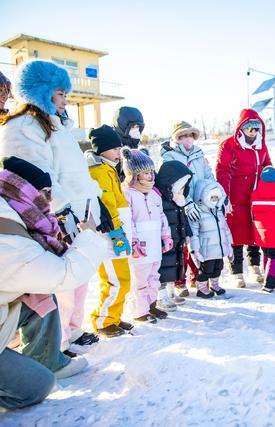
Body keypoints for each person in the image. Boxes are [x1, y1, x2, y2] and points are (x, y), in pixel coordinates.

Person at [0, 59, 110, 353]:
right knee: (61, 282)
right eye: (60, 92)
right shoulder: (23, 125)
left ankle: (73, 332)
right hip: (56, 215)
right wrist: (62, 210)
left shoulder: (59, 125)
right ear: (41, 92)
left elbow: (76, 174)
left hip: (79, 211)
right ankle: (55, 345)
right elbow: (36, 175)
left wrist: (96, 204)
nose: (66, 99)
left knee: (80, 279)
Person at [0, 156, 108, 410]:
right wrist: (90, 236)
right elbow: (62, 275)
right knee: (37, 385)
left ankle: (45, 357)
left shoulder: (12, 213)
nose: (49, 201)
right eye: (45, 193)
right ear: (28, 193)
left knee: (39, 297)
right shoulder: (8, 241)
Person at [86, 125, 134, 338]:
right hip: (111, 234)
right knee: (116, 279)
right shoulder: (98, 171)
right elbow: (106, 203)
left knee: (123, 277)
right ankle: (103, 320)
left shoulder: (109, 168)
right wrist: (115, 231)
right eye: (114, 148)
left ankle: (113, 316)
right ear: (102, 149)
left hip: (119, 232)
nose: (118, 152)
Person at [215, 109, 271, 288]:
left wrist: (270, 189)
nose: (253, 132)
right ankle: (237, 272)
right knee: (237, 235)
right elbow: (222, 171)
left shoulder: (261, 146)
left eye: (256, 129)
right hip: (236, 197)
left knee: (255, 234)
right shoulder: (229, 145)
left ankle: (255, 268)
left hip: (256, 197)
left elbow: (267, 166)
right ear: (242, 128)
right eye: (249, 129)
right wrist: (225, 196)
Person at [161, 121, 215, 296]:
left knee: (200, 240)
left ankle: (197, 275)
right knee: (184, 243)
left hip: (202, 204)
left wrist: (214, 194)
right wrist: (187, 201)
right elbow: (172, 183)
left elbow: (208, 176)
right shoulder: (170, 156)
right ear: (176, 138)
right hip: (181, 205)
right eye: (182, 136)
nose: (187, 139)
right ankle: (179, 280)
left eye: (190, 135)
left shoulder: (199, 155)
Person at [121, 148, 172, 323]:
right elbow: (128, 221)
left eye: (151, 172)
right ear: (133, 175)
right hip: (140, 246)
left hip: (154, 244)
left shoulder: (154, 195)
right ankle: (139, 311)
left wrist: (166, 236)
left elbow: (162, 217)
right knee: (140, 280)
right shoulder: (127, 195)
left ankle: (151, 305)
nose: (150, 176)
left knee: (153, 277)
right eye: (144, 173)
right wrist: (133, 241)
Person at [156, 160, 194, 310]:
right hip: (164, 242)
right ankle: (161, 297)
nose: (183, 189)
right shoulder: (161, 200)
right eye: (180, 185)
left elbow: (183, 219)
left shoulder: (178, 200)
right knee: (163, 269)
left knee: (175, 267)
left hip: (177, 239)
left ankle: (171, 293)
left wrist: (188, 234)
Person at [188, 179, 233, 299]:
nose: (214, 201)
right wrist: (195, 250)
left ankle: (214, 285)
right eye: (212, 198)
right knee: (206, 269)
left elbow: (225, 229)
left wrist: (229, 245)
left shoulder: (218, 212)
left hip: (219, 248)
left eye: (216, 198)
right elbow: (194, 234)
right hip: (206, 250)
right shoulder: (198, 214)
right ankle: (201, 287)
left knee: (218, 267)